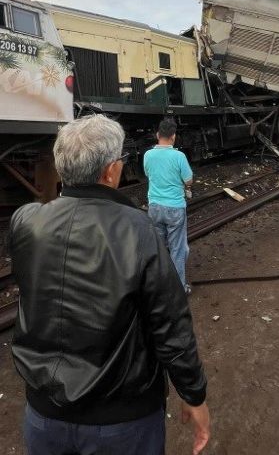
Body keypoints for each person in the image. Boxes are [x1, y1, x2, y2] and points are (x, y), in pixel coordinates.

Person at [9, 115, 210, 455]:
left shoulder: (26, 221)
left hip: (42, 414)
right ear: (111, 171)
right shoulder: (138, 229)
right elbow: (170, 325)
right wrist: (193, 394)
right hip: (122, 419)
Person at [144, 118, 193, 294]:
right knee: (178, 249)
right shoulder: (179, 156)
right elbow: (188, 180)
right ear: (173, 136)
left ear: (158, 135)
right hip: (174, 208)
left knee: (158, 248)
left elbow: (148, 174)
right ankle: (179, 290)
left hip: (154, 208)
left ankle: (159, 287)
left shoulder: (148, 155)